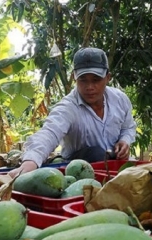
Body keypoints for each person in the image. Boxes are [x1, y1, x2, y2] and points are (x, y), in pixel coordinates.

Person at [8, 47, 137, 178]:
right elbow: (49, 133)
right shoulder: (68, 107)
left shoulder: (120, 100)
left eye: (96, 80)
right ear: (74, 77)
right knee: (97, 154)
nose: (90, 87)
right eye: (83, 80)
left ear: (107, 78)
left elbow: (128, 127)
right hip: (78, 171)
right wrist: (29, 163)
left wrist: (124, 140)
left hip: (115, 167)